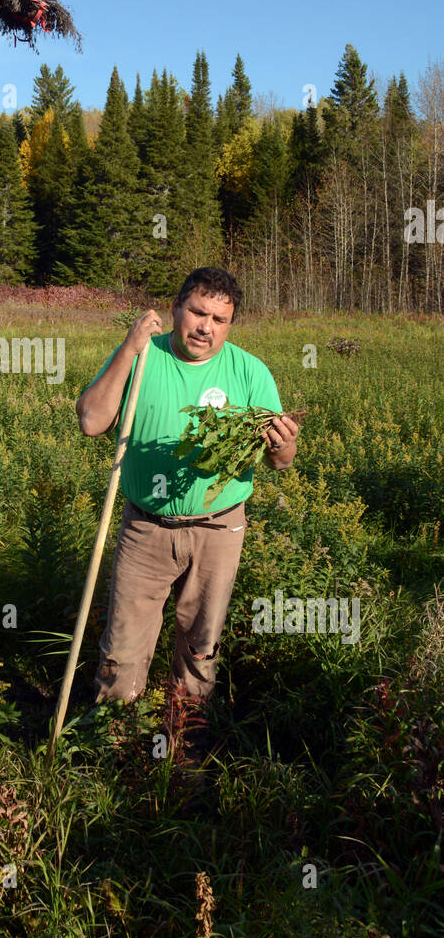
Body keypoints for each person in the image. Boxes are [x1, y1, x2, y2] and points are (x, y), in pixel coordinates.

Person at [75, 266, 300, 761]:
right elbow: (92, 420)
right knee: (124, 645)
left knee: (201, 642)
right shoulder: (144, 357)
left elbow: (280, 461)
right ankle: (114, 747)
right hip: (145, 526)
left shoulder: (250, 372)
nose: (206, 327)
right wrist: (128, 349)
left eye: (220, 319)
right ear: (176, 308)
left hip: (220, 528)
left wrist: (285, 446)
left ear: (230, 324)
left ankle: (185, 743)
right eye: (198, 312)